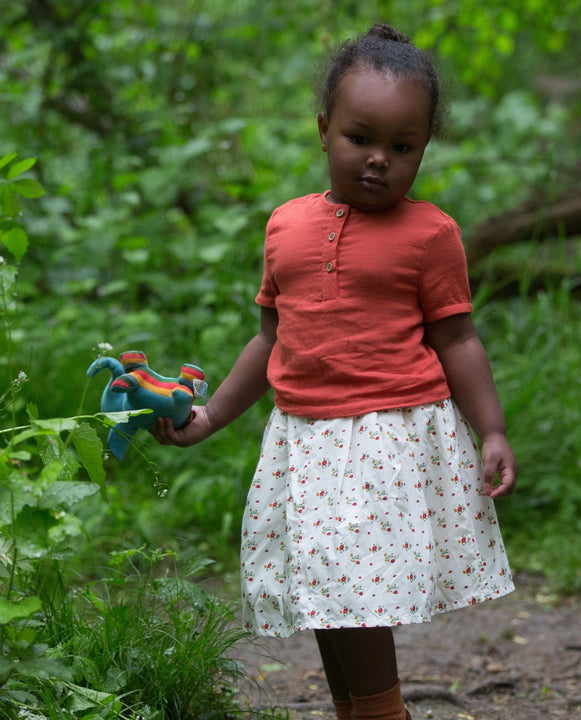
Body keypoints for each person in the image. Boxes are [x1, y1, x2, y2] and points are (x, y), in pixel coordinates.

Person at [151, 22, 517, 720]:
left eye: (402, 147)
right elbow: (272, 338)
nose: (379, 159)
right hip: (306, 440)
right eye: (360, 138)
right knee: (324, 587)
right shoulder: (285, 226)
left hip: (387, 439)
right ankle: (358, 710)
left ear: (423, 150)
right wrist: (209, 417)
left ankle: (384, 713)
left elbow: (459, 338)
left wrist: (491, 430)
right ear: (324, 129)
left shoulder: (430, 234)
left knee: (350, 586)